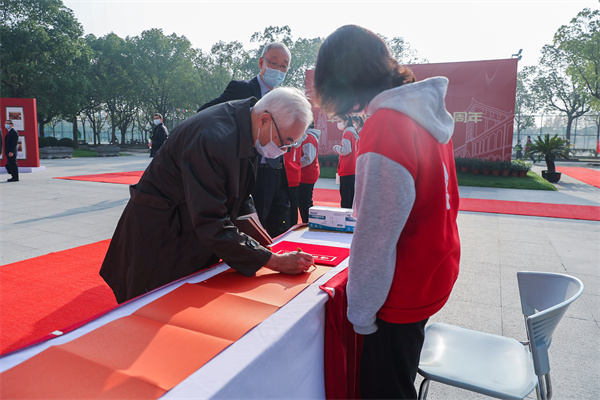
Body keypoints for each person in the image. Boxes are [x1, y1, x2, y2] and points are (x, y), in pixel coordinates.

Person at [314, 25, 461, 399]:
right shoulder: (423, 115)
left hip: (401, 291)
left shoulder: (387, 126)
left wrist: (360, 312)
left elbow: (376, 235)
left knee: (384, 389)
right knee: (399, 376)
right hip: (431, 272)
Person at [100, 88, 315, 304]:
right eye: (286, 141)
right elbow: (211, 222)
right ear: (265, 120)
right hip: (159, 240)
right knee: (150, 315)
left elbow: (240, 194)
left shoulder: (246, 124)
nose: (285, 150)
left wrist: (260, 242)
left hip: (186, 232)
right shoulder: (212, 138)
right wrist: (274, 261)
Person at [198, 42, 293, 238]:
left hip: (276, 173)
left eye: (284, 66)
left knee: (276, 227)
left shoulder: (284, 99)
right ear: (261, 63)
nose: (278, 70)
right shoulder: (241, 90)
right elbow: (205, 113)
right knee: (251, 228)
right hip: (248, 173)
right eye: (274, 63)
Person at [333, 115, 359, 208]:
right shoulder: (353, 132)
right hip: (353, 167)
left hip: (347, 168)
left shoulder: (347, 133)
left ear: (346, 121)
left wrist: (336, 148)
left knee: (346, 197)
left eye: (340, 121)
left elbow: (346, 150)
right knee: (351, 196)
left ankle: (345, 219)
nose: (338, 123)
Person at [298, 123, 321, 223]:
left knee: (304, 201)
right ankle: (309, 221)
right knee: (306, 200)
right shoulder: (310, 136)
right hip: (308, 173)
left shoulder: (308, 137)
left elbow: (308, 158)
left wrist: (296, 163)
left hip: (307, 174)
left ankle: (307, 222)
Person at [283, 138, 303, 227]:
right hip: (294, 173)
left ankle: (286, 225)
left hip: (287, 173)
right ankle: (292, 225)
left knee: (286, 204)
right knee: (293, 204)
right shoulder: (300, 137)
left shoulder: (287, 137)